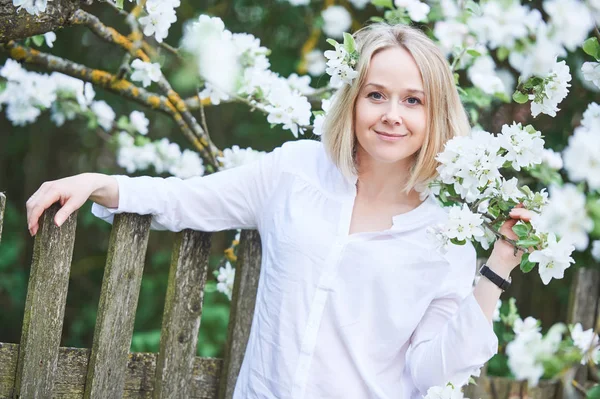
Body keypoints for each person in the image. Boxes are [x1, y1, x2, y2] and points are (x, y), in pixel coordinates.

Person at [26, 22, 533, 399]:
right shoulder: (294, 174)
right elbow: (188, 199)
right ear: (353, 101)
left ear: (436, 112)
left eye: (413, 100)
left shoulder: (445, 238)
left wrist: (499, 268)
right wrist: (101, 182)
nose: (391, 115)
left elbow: (431, 371)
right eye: (376, 94)